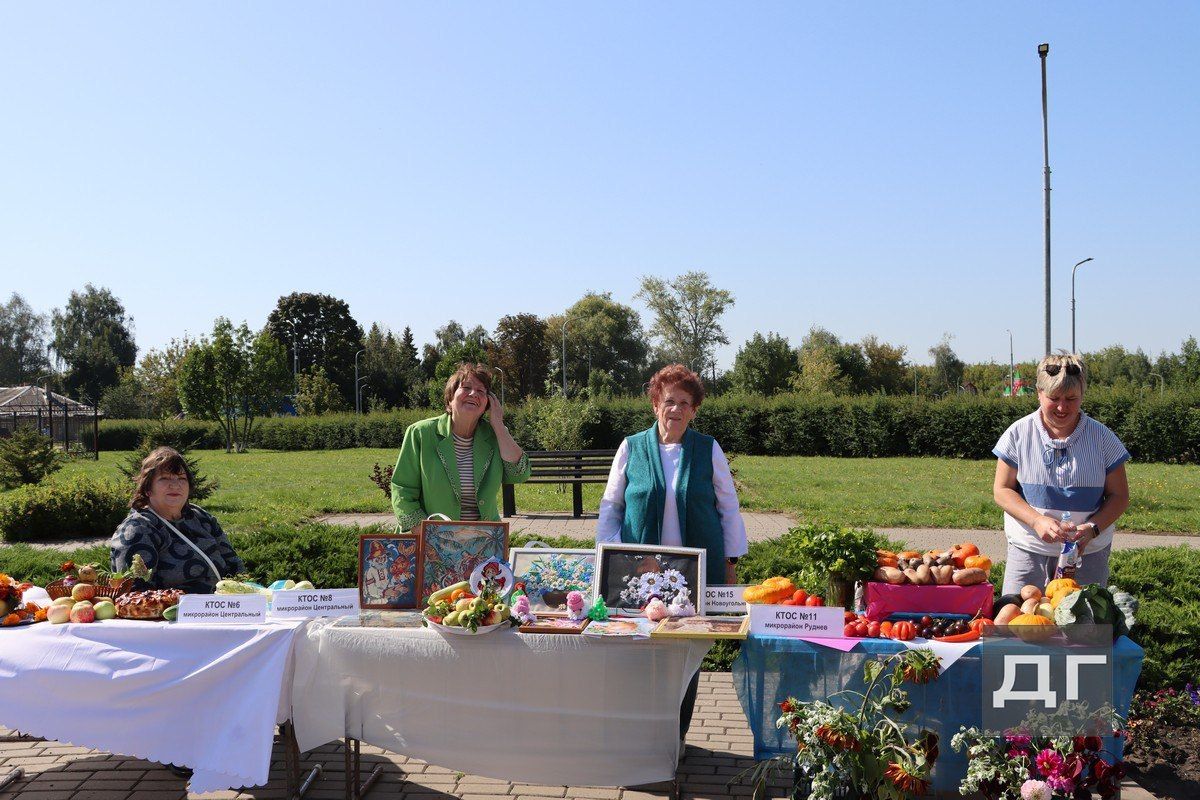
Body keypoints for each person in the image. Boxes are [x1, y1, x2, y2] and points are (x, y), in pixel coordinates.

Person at [596, 363, 749, 748]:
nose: (676, 409)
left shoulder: (707, 448)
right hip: (640, 573)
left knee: (684, 655)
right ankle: (642, 737)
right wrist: (609, 558)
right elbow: (611, 506)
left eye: (684, 403)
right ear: (655, 405)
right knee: (640, 649)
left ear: (694, 410)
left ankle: (676, 739)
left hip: (692, 576)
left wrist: (731, 561)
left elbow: (728, 506)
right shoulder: (632, 447)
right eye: (668, 401)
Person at [992, 352, 1131, 595]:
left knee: (1081, 620)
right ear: (1039, 392)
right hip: (1029, 550)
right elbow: (1002, 491)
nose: (1062, 407)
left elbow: (1120, 496)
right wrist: (1037, 521)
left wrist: (1092, 529)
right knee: (1018, 615)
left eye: (1071, 398)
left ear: (1082, 395)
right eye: (1053, 397)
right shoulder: (1018, 434)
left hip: (1087, 555)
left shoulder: (1103, 438)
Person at [391, 363, 530, 530]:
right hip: (431, 535)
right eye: (466, 388)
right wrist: (426, 532)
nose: (474, 393)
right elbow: (402, 490)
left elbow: (519, 474)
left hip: (484, 538)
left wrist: (499, 425)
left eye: (481, 391)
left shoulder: (495, 435)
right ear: (450, 399)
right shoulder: (420, 433)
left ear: (488, 404)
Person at [109, 446, 245, 595]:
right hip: (174, 609)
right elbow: (135, 594)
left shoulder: (200, 517)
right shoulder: (137, 529)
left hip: (226, 605)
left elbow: (235, 565)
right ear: (148, 488)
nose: (175, 485)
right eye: (164, 478)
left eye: (181, 478)